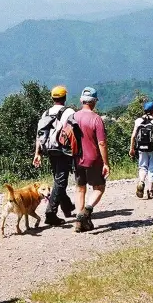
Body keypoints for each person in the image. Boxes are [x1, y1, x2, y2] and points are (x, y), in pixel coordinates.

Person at [33, 85, 77, 225]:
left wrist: (37, 153)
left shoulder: (46, 113)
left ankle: (67, 207)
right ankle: (50, 213)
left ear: (52, 98)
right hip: (63, 150)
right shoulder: (69, 111)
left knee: (58, 180)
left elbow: (39, 135)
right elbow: (73, 131)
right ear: (65, 97)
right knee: (61, 181)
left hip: (49, 150)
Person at [73, 87, 110, 232]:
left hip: (77, 159)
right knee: (99, 187)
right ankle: (86, 211)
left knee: (80, 188)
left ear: (81, 100)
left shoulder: (73, 117)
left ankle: (79, 221)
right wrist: (106, 162)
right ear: (94, 102)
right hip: (93, 159)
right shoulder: (96, 119)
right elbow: (102, 143)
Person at [130, 101, 153, 198]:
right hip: (152, 148)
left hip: (141, 148)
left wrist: (132, 148)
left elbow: (133, 136)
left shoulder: (138, 121)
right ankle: (150, 190)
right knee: (152, 167)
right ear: (152, 111)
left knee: (142, 166)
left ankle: (141, 182)